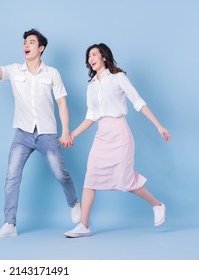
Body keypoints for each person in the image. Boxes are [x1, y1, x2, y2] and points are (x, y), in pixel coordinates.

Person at [0, 29, 81, 239]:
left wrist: (65, 132)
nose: (26, 45)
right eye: (24, 42)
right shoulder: (15, 70)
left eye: (31, 42)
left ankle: (74, 202)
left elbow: (62, 103)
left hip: (47, 133)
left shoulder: (52, 74)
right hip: (22, 133)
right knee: (12, 177)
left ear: (41, 48)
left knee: (60, 173)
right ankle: (9, 224)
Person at [64, 43, 171, 238]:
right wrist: (72, 134)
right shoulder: (91, 86)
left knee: (126, 180)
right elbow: (91, 116)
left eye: (94, 54)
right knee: (90, 179)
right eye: (89, 56)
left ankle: (157, 204)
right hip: (101, 136)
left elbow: (138, 102)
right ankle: (84, 225)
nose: (91, 58)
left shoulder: (118, 78)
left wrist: (159, 125)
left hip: (120, 134)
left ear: (104, 57)